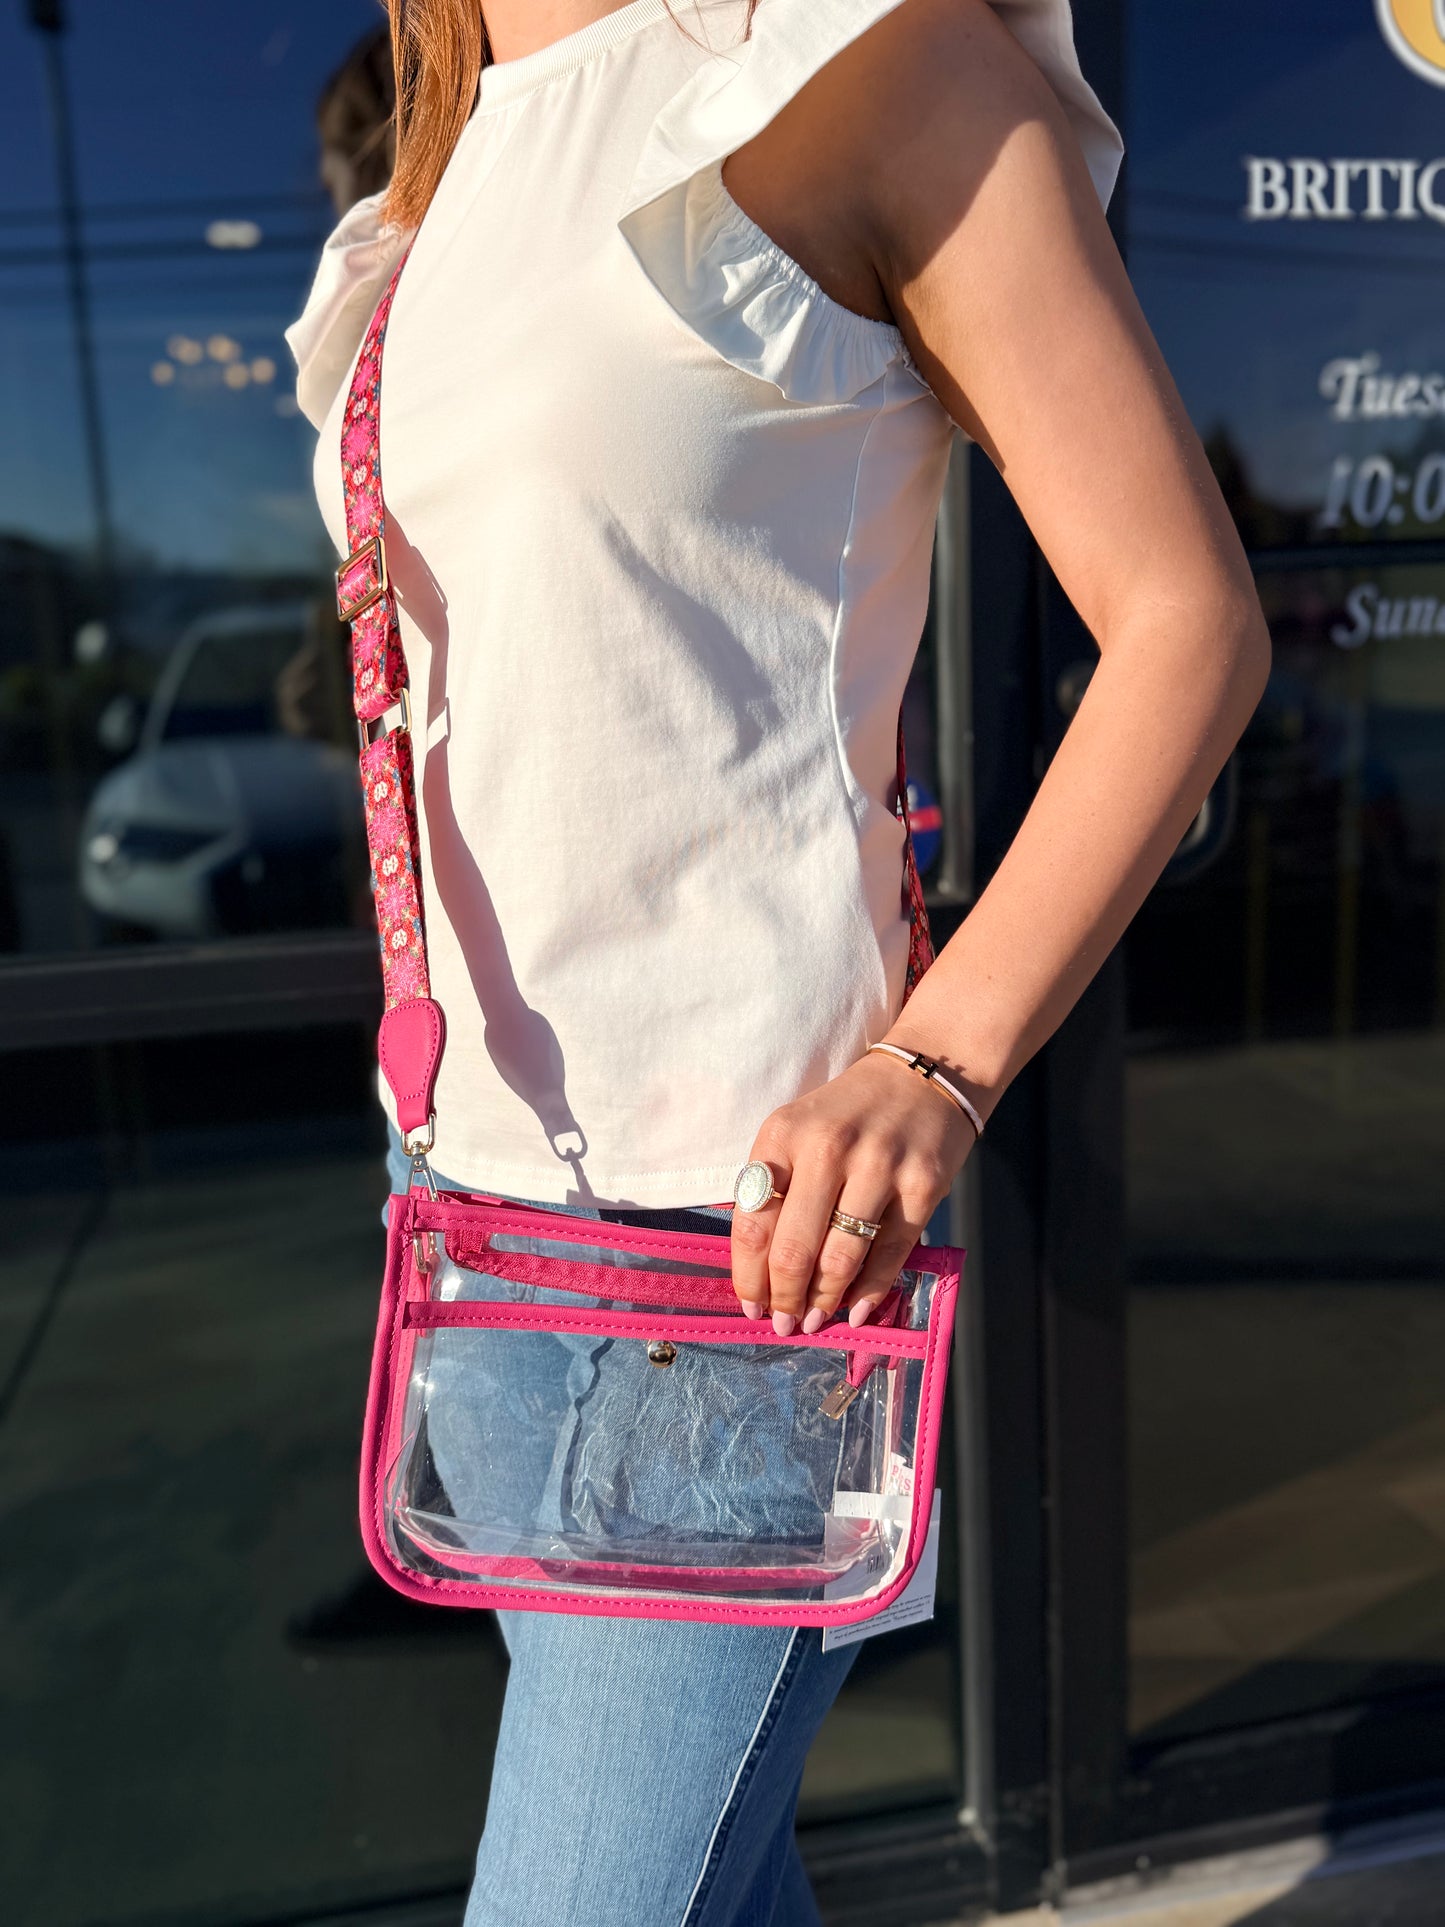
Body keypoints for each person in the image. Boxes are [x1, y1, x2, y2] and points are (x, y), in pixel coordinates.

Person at [285, 2, 1271, 1921]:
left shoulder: (860, 64)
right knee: (714, 1891)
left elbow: (1183, 621)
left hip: (728, 1264)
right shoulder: (434, 183)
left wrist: (936, 1058)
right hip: (468, 1214)